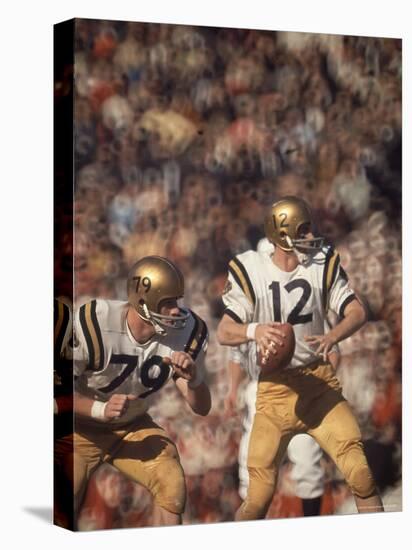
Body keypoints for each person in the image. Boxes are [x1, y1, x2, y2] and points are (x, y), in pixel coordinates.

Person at [217, 196, 383, 520]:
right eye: (303, 230)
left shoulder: (321, 261)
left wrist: (333, 337)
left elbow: (357, 311)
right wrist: (255, 331)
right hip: (272, 389)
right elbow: (225, 333)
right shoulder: (252, 269)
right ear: (282, 235)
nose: (311, 237)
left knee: (360, 474)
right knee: (257, 495)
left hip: (316, 383)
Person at [55, 256, 211, 528]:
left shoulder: (188, 332)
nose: (177, 310)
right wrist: (101, 409)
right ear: (143, 302)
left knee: (170, 479)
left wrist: (194, 379)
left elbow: (202, 407)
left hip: (131, 425)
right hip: (80, 426)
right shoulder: (95, 323)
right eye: (168, 302)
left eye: (178, 301)